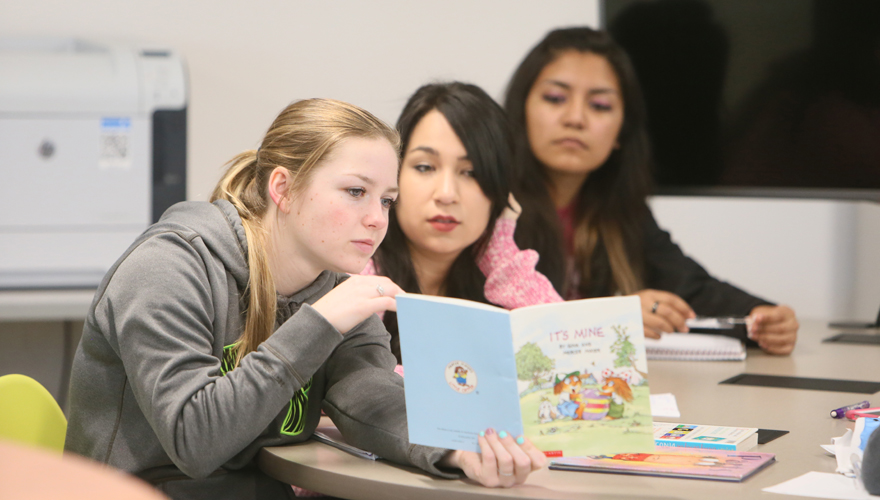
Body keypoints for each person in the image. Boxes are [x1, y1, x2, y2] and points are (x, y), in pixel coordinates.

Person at [64, 98, 546, 500]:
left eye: (386, 199)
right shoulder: (170, 267)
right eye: (356, 191)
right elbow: (196, 440)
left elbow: (370, 397)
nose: (378, 219)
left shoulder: (334, 283)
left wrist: (457, 449)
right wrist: (319, 324)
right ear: (283, 188)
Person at [503, 27, 798, 354]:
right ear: (521, 111)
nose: (575, 118)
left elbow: (690, 287)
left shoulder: (622, 209)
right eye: (555, 98)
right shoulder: (490, 203)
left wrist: (761, 316)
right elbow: (493, 320)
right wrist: (611, 317)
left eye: (599, 105)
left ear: (620, 132)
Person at [363, 82, 562, 363]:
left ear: (499, 192)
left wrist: (500, 255)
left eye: (470, 172)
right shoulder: (358, 265)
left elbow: (569, 358)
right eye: (425, 167)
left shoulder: (505, 273)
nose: (446, 194)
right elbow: (359, 379)